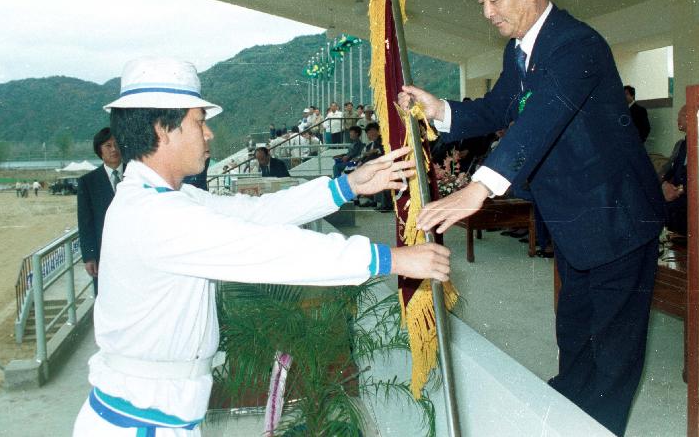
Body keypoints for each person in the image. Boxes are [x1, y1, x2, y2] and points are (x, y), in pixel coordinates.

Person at [72, 58, 450, 436]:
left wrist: (346, 186)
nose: (208, 135)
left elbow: (254, 214)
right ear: (162, 130)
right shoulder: (155, 215)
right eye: (199, 121)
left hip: (155, 414)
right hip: (141, 422)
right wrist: (390, 259)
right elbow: (268, 249)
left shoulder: (165, 198)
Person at [398, 0, 664, 436]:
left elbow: (540, 120)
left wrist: (477, 189)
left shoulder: (576, 44)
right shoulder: (519, 51)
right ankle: (566, 418)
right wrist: (439, 110)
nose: (486, 12)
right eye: (480, 1)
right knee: (575, 334)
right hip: (575, 219)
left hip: (618, 219)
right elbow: (500, 108)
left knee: (612, 354)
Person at [77, 127, 123, 295]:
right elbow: (85, 222)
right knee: (107, 296)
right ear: (100, 152)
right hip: (105, 253)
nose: (114, 149)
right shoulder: (88, 182)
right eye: (108, 146)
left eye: (117, 145)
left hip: (135, 248)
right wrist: (89, 256)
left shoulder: (137, 174)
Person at [660, 105, 688, 235]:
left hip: (688, 194)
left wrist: (679, 190)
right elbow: (673, 169)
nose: (678, 120)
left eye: (681, 116)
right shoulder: (682, 144)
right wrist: (663, 183)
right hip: (675, 191)